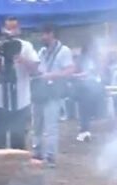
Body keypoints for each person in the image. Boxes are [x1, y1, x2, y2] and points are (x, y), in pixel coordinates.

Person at [0, 17, 39, 151]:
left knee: (19, 141)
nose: (11, 31)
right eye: (8, 28)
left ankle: (19, 170)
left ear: (19, 29)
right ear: (3, 29)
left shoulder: (26, 46)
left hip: (20, 100)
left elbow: (35, 70)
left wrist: (22, 59)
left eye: (14, 27)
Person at [32, 23, 75, 167]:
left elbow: (70, 70)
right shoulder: (41, 52)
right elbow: (37, 69)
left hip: (54, 91)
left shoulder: (64, 51)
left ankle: (50, 157)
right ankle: (36, 153)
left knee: (51, 127)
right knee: (36, 125)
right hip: (40, 91)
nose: (42, 37)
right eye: (41, 34)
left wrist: (53, 75)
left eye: (44, 34)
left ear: (52, 34)